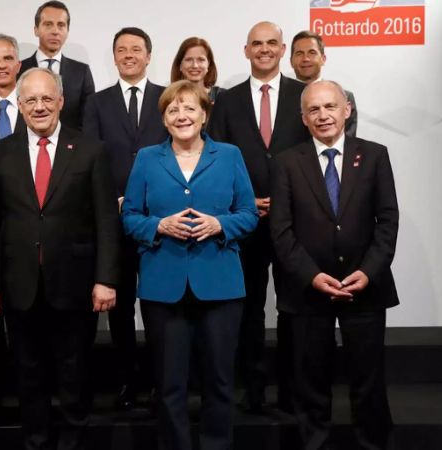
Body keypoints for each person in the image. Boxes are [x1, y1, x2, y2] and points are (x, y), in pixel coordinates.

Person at [0, 68, 122, 450]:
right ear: (19, 105)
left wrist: (106, 278)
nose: (40, 106)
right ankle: (36, 443)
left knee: (74, 373)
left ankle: (73, 444)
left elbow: (106, 221)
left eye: (47, 98)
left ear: (61, 101)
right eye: (30, 100)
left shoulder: (91, 149)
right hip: (19, 285)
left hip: (76, 284)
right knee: (29, 377)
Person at [122, 80, 258, 450]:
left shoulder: (229, 155)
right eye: (172, 110)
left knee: (219, 380)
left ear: (204, 114)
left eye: (189, 108)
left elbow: (248, 214)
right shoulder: (147, 158)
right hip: (163, 287)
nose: (181, 115)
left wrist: (220, 224)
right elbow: (130, 216)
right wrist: (158, 225)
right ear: (164, 120)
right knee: (169, 384)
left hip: (220, 285)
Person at [270, 80, 398, 449]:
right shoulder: (286, 163)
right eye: (314, 109)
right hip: (309, 291)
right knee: (310, 382)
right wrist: (311, 276)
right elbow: (281, 231)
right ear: (304, 118)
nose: (323, 115)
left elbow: (387, 221)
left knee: (369, 382)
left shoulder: (375, 155)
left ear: (347, 109)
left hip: (366, 287)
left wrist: (369, 271)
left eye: (330, 106)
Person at [206, 21, 311, 413]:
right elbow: (215, 158)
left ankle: (291, 393)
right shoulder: (227, 101)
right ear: (246, 50)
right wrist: (246, 200)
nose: (264, 49)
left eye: (272, 43)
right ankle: (252, 391)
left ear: (283, 49)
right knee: (246, 309)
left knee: (293, 309)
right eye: (257, 44)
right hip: (243, 222)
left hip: (295, 223)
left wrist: (284, 201)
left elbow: (312, 160)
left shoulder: (304, 96)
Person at [82, 26, 167, 410]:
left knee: (158, 305)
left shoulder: (167, 99)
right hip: (114, 221)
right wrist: (110, 198)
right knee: (120, 308)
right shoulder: (97, 102)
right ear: (114, 57)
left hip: (160, 221)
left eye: (136, 49)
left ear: (149, 55)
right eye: (121, 49)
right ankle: (127, 381)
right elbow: (91, 157)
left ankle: (160, 380)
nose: (129, 55)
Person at [18, 1, 95, 130]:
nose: (55, 31)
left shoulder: (81, 72)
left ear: (67, 31)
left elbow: (88, 119)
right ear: (36, 30)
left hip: (71, 146)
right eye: (48, 25)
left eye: (61, 25)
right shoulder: (18, 69)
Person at [289, 30, 358, 136]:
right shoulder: (278, 97)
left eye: (312, 53)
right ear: (291, 61)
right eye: (299, 54)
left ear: (323, 59)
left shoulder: (344, 97)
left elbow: (347, 144)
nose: (306, 59)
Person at [170, 37, 224, 103]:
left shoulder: (223, 97)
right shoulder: (169, 98)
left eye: (201, 60)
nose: (195, 65)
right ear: (180, 65)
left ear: (209, 64)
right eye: (189, 60)